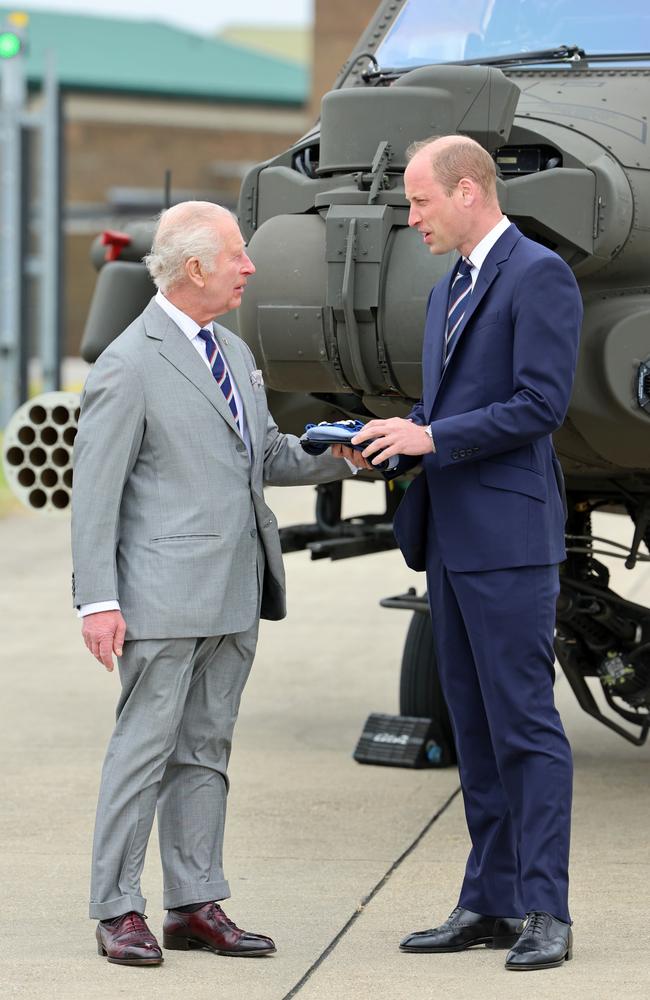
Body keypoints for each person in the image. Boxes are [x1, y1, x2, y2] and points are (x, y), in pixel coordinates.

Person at [71, 201, 362, 967]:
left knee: (205, 750)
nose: (251, 266)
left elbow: (266, 454)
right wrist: (97, 600)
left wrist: (349, 454)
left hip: (235, 593)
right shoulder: (129, 363)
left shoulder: (231, 352)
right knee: (143, 749)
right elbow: (94, 494)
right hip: (162, 598)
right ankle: (117, 909)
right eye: (238, 254)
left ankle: (194, 903)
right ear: (195, 267)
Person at [349, 135, 582, 971]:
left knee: (524, 726)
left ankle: (546, 911)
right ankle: (489, 899)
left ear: (470, 191)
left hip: (510, 542)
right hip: (451, 536)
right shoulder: (453, 282)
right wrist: (389, 436)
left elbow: (539, 404)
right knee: (475, 730)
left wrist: (432, 433)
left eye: (419, 202)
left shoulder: (537, 275)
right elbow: (450, 403)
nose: (411, 219)